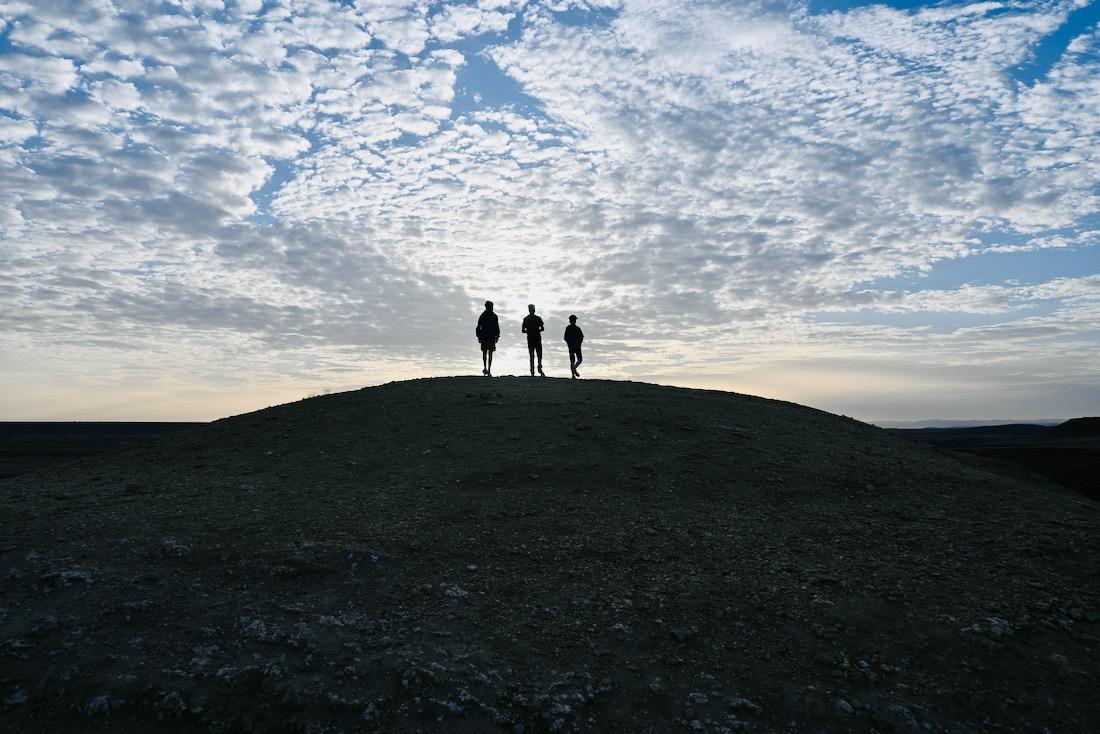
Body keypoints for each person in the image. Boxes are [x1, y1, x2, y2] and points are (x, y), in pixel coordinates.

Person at [475, 301, 500, 376]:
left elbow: (496, 327)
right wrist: (479, 336)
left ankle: (488, 369)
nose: (491, 308)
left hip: (489, 336)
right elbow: (478, 327)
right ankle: (486, 368)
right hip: (485, 337)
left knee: (488, 353)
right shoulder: (485, 316)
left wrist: (497, 335)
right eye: (490, 306)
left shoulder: (490, 316)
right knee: (486, 353)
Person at [521, 304, 545, 377]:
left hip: (531, 338)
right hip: (536, 337)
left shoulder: (526, 319)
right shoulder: (538, 318)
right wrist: (537, 330)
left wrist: (529, 331)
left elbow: (523, 330)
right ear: (534, 310)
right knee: (539, 354)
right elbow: (542, 328)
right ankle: (538, 368)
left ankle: (532, 371)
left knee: (532, 355)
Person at [564, 314, 584, 379]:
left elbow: (565, 338)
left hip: (571, 346)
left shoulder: (568, 328)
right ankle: (574, 369)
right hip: (577, 346)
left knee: (572, 361)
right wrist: (579, 343)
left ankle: (573, 373)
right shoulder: (577, 328)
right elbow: (581, 337)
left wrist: (569, 344)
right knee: (579, 360)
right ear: (575, 321)